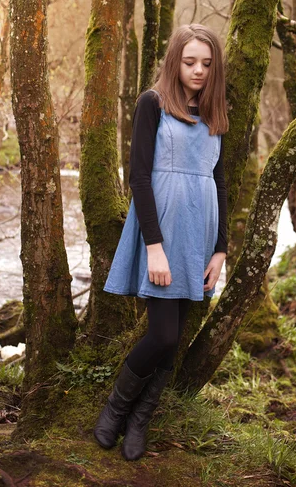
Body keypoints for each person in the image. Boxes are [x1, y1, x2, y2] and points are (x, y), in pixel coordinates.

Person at [93, 24, 229, 461]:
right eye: (190, 62)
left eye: (207, 64)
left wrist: (221, 249)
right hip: (163, 228)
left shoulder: (216, 111)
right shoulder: (153, 103)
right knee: (163, 333)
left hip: (200, 231)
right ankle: (116, 409)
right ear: (174, 61)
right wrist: (154, 246)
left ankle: (139, 421)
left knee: (176, 336)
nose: (199, 71)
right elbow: (138, 176)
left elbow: (220, 183)